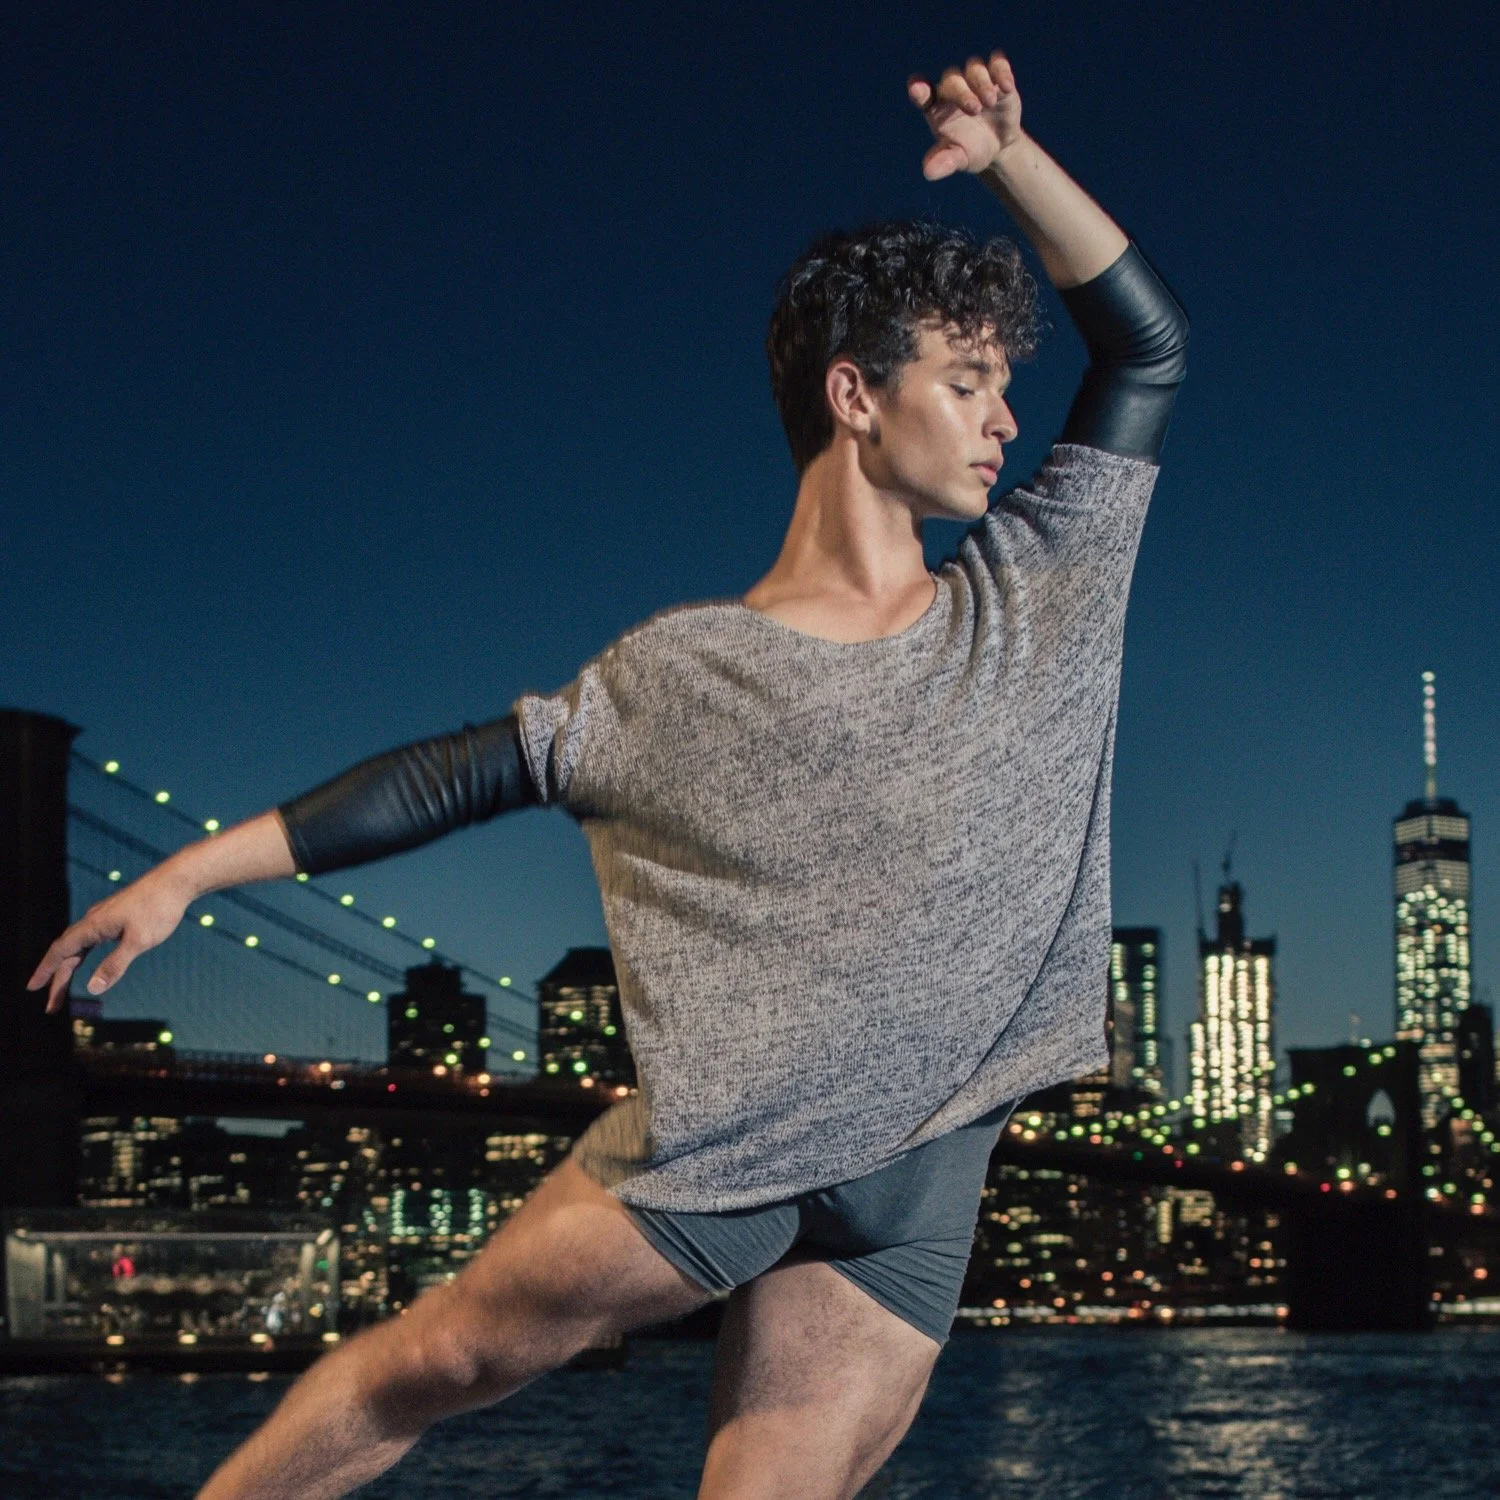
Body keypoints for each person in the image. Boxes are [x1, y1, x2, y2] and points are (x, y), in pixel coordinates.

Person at [28, 47, 1187, 1500]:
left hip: (925, 1190)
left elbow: (1143, 346)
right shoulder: (678, 675)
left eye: (1005, 385)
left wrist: (1014, 155)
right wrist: (188, 874)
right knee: (434, 1364)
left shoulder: (1040, 580)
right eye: (966, 382)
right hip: (719, 1157)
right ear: (855, 397)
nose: (1007, 418)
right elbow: (454, 778)